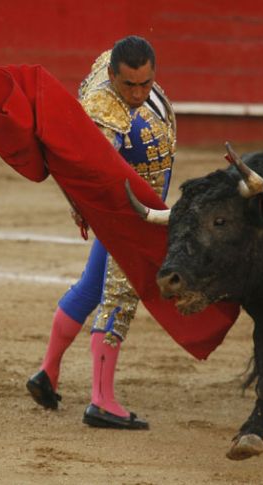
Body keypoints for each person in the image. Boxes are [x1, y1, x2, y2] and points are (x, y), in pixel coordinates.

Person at [25, 35, 176, 430]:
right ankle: (102, 401)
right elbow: (80, 166)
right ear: (112, 75)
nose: (138, 94)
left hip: (137, 205)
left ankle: (47, 373)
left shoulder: (114, 61)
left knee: (91, 286)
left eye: (146, 83)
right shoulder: (104, 111)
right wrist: (83, 207)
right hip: (126, 215)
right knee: (119, 295)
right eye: (129, 85)